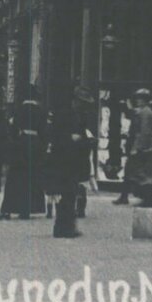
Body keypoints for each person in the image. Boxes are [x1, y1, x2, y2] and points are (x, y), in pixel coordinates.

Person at [0, 98, 45, 219]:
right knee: (32, 177)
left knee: (15, 177)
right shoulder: (39, 111)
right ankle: (28, 208)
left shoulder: (21, 110)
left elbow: (13, 127)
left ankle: (8, 209)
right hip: (36, 144)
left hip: (22, 144)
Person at [50, 94, 93, 238]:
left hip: (73, 161)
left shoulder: (80, 117)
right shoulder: (65, 115)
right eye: (82, 103)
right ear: (75, 101)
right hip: (63, 161)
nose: (84, 107)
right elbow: (55, 136)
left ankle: (67, 226)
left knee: (70, 194)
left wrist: (86, 142)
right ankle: (63, 227)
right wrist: (71, 138)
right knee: (65, 194)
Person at [117, 90, 152, 206]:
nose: (137, 100)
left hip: (140, 146)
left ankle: (132, 196)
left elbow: (145, 132)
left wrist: (141, 148)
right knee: (134, 172)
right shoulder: (144, 111)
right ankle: (125, 196)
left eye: (140, 98)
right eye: (137, 98)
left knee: (136, 172)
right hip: (140, 145)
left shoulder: (146, 112)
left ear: (144, 100)